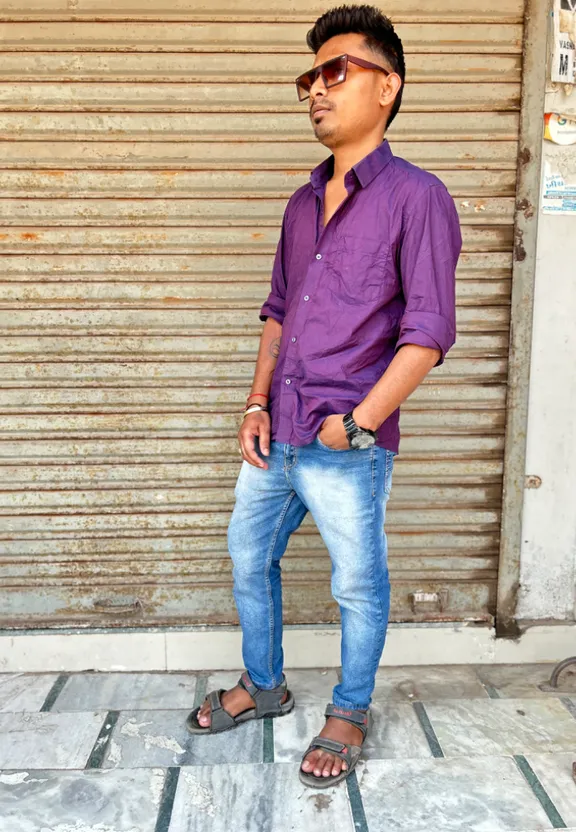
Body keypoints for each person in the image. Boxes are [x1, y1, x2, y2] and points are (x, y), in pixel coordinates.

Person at [186, 3, 461, 789]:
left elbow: (430, 332)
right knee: (248, 558)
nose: (316, 89)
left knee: (356, 585)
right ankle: (265, 685)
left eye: (336, 71)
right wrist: (253, 402)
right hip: (280, 430)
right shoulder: (302, 202)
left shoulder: (418, 198)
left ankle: (349, 709)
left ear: (387, 87)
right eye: (309, 76)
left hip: (345, 439)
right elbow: (278, 311)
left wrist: (361, 423)